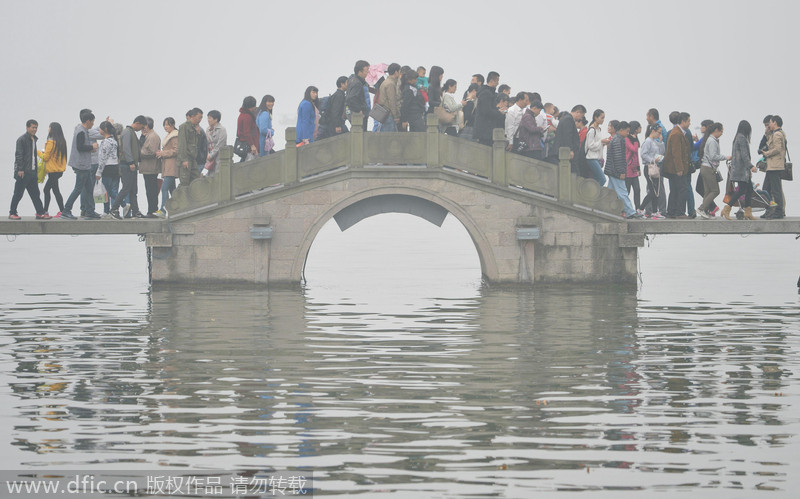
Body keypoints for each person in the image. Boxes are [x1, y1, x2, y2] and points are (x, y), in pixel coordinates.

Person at [61, 111, 100, 219]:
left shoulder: (83, 130)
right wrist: (92, 147)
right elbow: (80, 147)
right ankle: (66, 210)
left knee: (88, 188)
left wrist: (90, 149)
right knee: (78, 188)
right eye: (92, 122)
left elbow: (81, 147)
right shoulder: (81, 131)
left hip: (85, 164)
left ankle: (90, 211)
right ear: (88, 121)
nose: (93, 124)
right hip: (81, 165)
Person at [9, 119, 48, 219]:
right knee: (18, 193)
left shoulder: (34, 139)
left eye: (36, 127)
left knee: (35, 194)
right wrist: (20, 170)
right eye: (32, 127)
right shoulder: (21, 139)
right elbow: (19, 155)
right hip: (23, 172)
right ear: (27, 127)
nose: (34, 129)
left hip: (32, 172)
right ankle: (12, 213)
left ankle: (40, 213)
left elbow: (33, 156)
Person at [109, 116, 146, 219]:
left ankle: (136, 211)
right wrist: (130, 162)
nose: (141, 129)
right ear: (137, 123)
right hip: (127, 165)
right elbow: (126, 148)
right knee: (126, 188)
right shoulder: (127, 132)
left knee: (133, 190)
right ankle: (114, 209)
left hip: (132, 165)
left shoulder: (132, 132)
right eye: (141, 126)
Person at [722, 120, 757, 220]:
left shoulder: (737, 137)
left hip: (740, 170)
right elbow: (744, 155)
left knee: (749, 189)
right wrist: (751, 166)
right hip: (741, 171)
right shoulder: (741, 138)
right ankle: (727, 208)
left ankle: (748, 212)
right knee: (742, 190)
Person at [605, 121, 640, 218]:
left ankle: (604, 209)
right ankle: (630, 212)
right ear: (621, 130)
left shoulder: (617, 139)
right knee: (623, 192)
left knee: (610, 193)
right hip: (616, 171)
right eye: (627, 131)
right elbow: (618, 158)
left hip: (611, 170)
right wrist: (621, 172)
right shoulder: (618, 140)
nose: (628, 133)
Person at [696, 123, 729, 218]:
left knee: (707, 191)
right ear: (716, 130)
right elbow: (713, 156)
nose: (722, 133)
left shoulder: (710, 140)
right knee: (715, 190)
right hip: (708, 168)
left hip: (705, 167)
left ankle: (705, 211)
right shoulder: (712, 141)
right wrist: (726, 157)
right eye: (721, 131)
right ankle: (701, 208)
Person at [663, 112, 692, 218]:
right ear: (683, 121)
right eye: (688, 121)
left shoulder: (679, 132)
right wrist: (679, 168)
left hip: (674, 168)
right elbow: (676, 153)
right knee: (682, 189)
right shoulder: (676, 134)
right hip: (676, 168)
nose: (689, 123)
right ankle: (679, 212)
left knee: (675, 190)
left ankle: (671, 212)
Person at [39, 122, 67, 217]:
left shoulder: (51, 142)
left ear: (52, 129)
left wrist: (37, 152)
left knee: (46, 190)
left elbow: (46, 157)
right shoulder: (61, 142)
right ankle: (61, 211)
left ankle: (47, 211)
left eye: (49, 127)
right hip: (59, 170)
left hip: (53, 171)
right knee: (55, 190)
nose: (48, 129)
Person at [761, 115, 787, 219]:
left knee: (775, 190)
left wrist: (766, 153)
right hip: (772, 166)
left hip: (775, 166)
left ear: (775, 122)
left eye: (770, 122)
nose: (769, 125)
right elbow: (769, 142)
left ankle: (778, 211)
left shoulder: (777, 134)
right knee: (766, 189)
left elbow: (777, 149)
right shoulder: (776, 134)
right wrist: (767, 132)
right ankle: (770, 210)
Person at [640, 124, 666, 219]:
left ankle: (655, 211)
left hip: (655, 167)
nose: (659, 134)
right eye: (658, 132)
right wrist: (652, 160)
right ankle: (641, 208)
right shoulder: (647, 141)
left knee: (656, 191)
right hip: (649, 167)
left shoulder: (655, 141)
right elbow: (643, 154)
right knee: (653, 191)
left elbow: (661, 151)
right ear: (653, 131)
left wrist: (661, 141)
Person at [550, 105, 587, 171]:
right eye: (581, 116)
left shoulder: (567, 119)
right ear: (578, 112)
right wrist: (570, 149)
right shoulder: (568, 119)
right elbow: (567, 135)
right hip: (564, 153)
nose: (581, 119)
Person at [139, 117, 161, 217]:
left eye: (143, 126)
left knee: (152, 190)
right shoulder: (146, 135)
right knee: (149, 190)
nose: (141, 128)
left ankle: (153, 210)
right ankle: (150, 210)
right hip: (147, 168)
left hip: (151, 167)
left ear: (147, 126)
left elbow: (152, 152)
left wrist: (139, 153)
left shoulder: (153, 136)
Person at [474, 71, 505, 146]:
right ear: (491, 81)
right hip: (485, 131)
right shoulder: (486, 93)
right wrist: (499, 113)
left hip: (486, 130)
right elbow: (486, 111)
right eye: (497, 81)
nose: (498, 83)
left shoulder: (488, 92)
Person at [96, 121, 119, 218]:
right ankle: (114, 209)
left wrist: (99, 172)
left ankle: (107, 210)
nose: (99, 130)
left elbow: (102, 158)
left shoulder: (105, 142)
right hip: (115, 167)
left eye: (100, 128)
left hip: (107, 168)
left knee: (106, 191)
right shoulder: (114, 140)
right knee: (112, 190)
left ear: (104, 130)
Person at [156, 117, 178, 216]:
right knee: (172, 190)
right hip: (167, 165)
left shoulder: (174, 136)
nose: (165, 127)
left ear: (172, 125)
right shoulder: (169, 135)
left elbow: (176, 150)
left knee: (164, 188)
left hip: (171, 165)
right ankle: (177, 208)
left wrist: (163, 153)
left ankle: (163, 209)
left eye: (167, 125)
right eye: (164, 125)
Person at [177, 108, 202, 187]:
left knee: (196, 180)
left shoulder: (195, 128)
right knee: (184, 182)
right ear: (193, 116)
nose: (200, 120)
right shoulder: (184, 126)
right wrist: (184, 159)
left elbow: (197, 144)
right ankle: (179, 198)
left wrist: (198, 134)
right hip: (186, 158)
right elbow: (182, 143)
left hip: (193, 158)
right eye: (199, 117)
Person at [584, 109, 609, 185]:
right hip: (591, 158)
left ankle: (592, 194)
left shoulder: (598, 129)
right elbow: (590, 145)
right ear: (595, 117)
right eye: (602, 118)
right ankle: (594, 195)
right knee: (602, 179)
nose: (603, 120)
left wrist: (603, 143)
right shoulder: (592, 130)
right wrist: (601, 142)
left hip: (597, 158)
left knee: (595, 180)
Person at [346, 60, 370, 131]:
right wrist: (359, 110)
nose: (367, 73)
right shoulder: (357, 83)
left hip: (352, 112)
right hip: (358, 115)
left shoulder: (352, 80)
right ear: (360, 72)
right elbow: (351, 99)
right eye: (366, 71)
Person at [378, 64, 401, 133]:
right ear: (396, 72)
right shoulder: (390, 84)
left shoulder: (385, 82)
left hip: (384, 114)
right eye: (399, 71)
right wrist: (395, 116)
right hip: (389, 115)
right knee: (390, 139)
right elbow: (392, 101)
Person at [625, 121, 643, 213]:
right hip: (628, 168)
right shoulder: (627, 139)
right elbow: (634, 149)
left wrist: (638, 168)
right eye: (639, 127)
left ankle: (638, 209)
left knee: (637, 190)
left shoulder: (635, 139)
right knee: (627, 191)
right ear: (635, 128)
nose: (641, 129)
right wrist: (635, 140)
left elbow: (636, 155)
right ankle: (625, 209)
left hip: (634, 169)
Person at [205, 110, 227, 176]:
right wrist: (208, 154)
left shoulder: (222, 129)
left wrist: (211, 155)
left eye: (210, 118)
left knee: (218, 174)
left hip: (219, 155)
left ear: (216, 119)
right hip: (210, 156)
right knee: (210, 174)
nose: (208, 120)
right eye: (208, 118)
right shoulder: (208, 129)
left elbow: (220, 144)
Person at [236, 96, 258, 161]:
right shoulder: (247, 117)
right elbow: (246, 133)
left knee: (244, 159)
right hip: (247, 144)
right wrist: (252, 145)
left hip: (244, 143)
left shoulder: (242, 114)